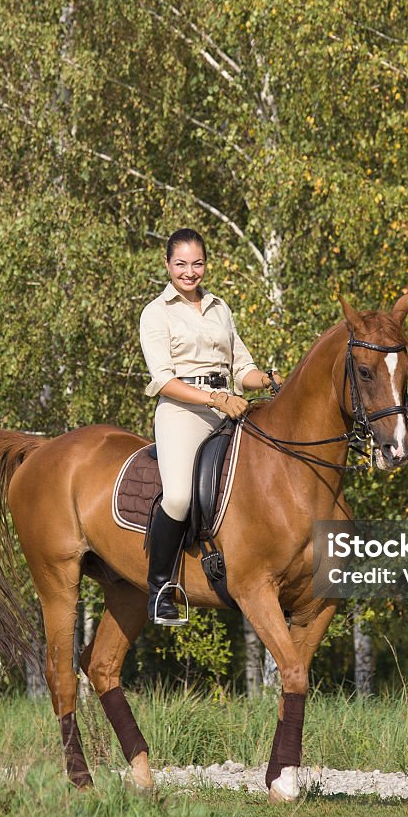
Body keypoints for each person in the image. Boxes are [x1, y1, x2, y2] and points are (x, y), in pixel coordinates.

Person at [139, 228, 283, 625]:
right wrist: (217, 399)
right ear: (167, 265)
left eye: (197, 263)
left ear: (206, 264)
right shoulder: (156, 313)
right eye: (181, 264)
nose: (190, 272)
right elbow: (164, 379)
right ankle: (160, 590)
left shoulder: (221, 308)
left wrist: (271, 380)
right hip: (182, 412)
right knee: (181, 497)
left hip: (230, 408)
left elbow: (243, 369)